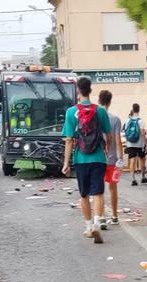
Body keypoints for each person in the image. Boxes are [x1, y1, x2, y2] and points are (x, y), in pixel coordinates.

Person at [61, 76, 112, 242]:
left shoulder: (70, 112)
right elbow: (108, 135)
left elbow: (69, 139)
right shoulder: (100, 111)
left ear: (78, 90)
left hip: (80, 158)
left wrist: (66, 163)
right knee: (98, 192)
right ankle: (98, 222)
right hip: (98, 158)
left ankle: (89, 227)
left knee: (84, 195)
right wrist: (106, 148)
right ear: (90, 90)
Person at [99, 90, 123, 227]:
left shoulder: (95, 117)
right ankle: (114, 216)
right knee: (113, 188)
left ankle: (101, 216)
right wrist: (120, 158)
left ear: (99, 100)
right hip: (113, 159)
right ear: (110, 102)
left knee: (99, 188)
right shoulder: (115, 119)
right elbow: (118, 140)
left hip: (98, 158)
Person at [124, 103, 146, 186]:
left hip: (130, 144)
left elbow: (125, 133)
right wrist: (145, 143)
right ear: (139, 110)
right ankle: (143, 177)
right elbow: (143, 133)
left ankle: (133, 179)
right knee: (142, 160)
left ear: (132, 110)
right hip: (140, 144)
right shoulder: (141, 121)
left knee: (132, 161)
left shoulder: (128, 121)